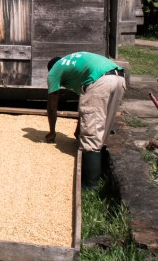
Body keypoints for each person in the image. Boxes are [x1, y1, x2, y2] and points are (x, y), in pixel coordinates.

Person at [46, 51, 126, 190]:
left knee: (91, 135)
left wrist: (52, 132)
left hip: (101, 81)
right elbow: (87, 107)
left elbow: (52, 107)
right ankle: (98, 175)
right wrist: (78, 130)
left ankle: (90, 186)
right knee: (102, 127)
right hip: (119, 78)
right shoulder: (75, 66)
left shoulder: (54, 70)